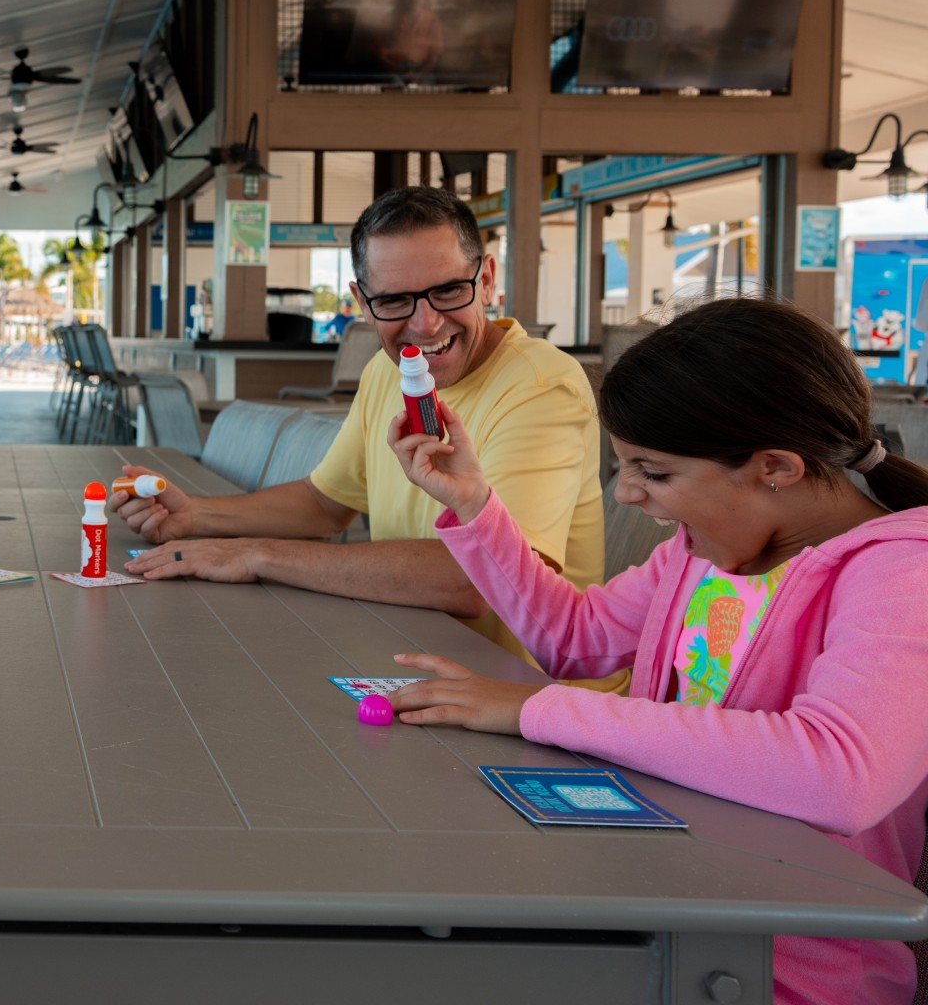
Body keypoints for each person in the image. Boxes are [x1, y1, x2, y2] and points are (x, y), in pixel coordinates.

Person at [385, 297, 928, 1005]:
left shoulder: (900, 573)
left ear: (776, 467)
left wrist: (544, 712)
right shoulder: (702, 554)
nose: (630, 493)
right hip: (656, 899)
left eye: (655, 471)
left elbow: (841, 774)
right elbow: (572, 640)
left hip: (777, 967)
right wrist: (474, 505)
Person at [119, 187, 609, 682]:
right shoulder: (386, 370)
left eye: (447, 290)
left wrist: (256, 552)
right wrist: (196, 515)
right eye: (395, 300)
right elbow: (324, 502)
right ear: (362, 302)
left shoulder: (542, 387)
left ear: (485, 280)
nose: (426, 323)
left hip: (535, 701)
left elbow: (477, 580)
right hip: (415, 663)